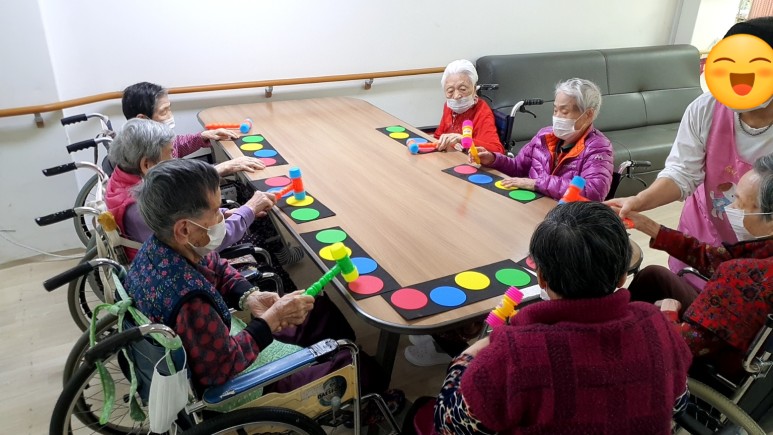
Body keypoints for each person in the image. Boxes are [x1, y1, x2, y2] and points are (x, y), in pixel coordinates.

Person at [413, 202, 691, 435]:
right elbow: (678, 404)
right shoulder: (658, 325)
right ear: (621, 277)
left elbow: (450, 424)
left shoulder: (513, 353)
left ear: (541, 278)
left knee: (419, 411)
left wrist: (465, 358)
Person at [125, 158, 393, 399]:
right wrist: (271, 320)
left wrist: (250, 296)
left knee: (320, 311)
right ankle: (356, 389)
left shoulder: (161, 248)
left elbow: (217, 266)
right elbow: (220, 371)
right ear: (184, 228)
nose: (223, 216)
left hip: (218, 344)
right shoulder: (189, 301)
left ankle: (328, 362)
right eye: (216, 212)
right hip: (241, 384)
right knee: (358, 367)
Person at [608, 17, 773, 277]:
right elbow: (682, 172)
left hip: (762, 255)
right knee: (684, 286)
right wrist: (639, 201)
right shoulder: (707, 108)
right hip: (701, 237)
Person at [622, 153, 773, 379]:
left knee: (646, 307)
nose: (730, 207)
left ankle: (622, 358)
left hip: (715, 368)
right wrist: (647, 225)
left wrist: (668, 312)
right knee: (654, 276)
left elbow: (682, 345)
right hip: (741, 341)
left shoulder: (744, 276)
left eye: (740, 203)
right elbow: (711, 258)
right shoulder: (761, 255)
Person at [105, 119, 302, 273]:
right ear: (147, 164)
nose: (175, 159)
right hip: (181, 266)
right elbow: (202, 243)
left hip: (165, 254)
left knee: (246, 212)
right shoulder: (141, 206)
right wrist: (248, 210)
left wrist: (223, 213)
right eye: (170, 154)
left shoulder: (124, 178)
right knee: (254, 235)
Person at [475, 78, 614, 201]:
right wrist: (493, 159)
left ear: (588, 115)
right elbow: (518, 167)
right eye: (555, 110)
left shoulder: (598, 148)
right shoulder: (544, 136)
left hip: (565, 216)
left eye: (564, 111)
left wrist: (537, 183)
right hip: (532, 206)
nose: (557, 117)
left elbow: (594, 192)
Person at [122, 81, 264, 176]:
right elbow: (176, 183)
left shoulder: (148, 140)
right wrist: (223, 168)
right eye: (164, 111)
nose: (170, 116)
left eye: (169, 109)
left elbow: (175, 146)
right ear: (142, 119)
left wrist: (202, 136)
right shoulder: (144, 156)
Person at [431, 60, 504, 154]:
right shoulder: (448, 106)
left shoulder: (482, 112)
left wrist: (463, 140)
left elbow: (497, 151)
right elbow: (438, 136)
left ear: (474, 89)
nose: (456, 96)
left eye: (462, 89)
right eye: (450, 91)